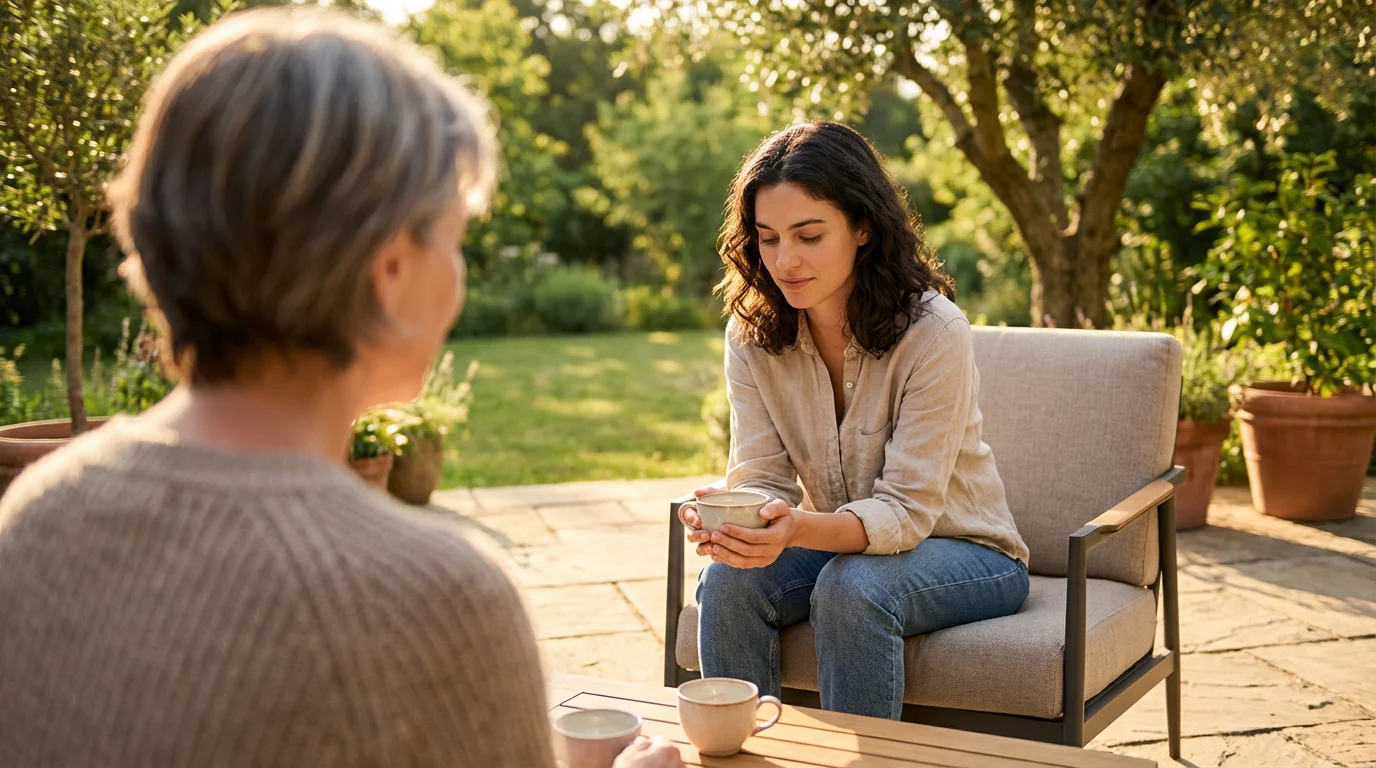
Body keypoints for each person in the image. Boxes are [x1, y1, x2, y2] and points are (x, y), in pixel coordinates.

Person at [0, 9, 679, 767]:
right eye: (455, 240)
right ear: (389, 272)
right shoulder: (433, 599)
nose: (459, 277)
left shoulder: (36, 515)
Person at [681, 121, 1032, 721]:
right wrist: (744, 520)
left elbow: (906, 512)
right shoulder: (753, 334)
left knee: (852, 589)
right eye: (767, 238)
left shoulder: (934, 332)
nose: (785, 260)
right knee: (730, 581)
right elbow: (763, 475)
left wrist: (790, 529)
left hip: (968, 550)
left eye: (809, 235)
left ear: (863, 227)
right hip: (840, 546)